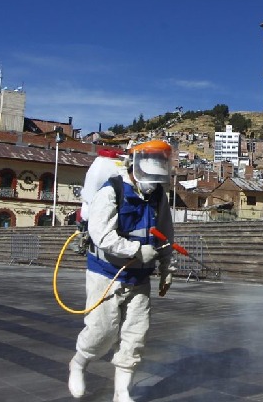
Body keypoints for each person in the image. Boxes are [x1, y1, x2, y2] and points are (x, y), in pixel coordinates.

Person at [68, 139, 176, 402]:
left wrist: (166, 265)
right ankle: (79, 362)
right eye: (149, 178)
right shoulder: (111, 191)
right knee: (101, 332)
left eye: (157, 179)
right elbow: (102, 235)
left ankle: (122, 392)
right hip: (106, 272)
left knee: (135, 335)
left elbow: (165, 233)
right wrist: (136, 250)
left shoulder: (158, 196)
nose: (152, 184)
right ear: (134, 168)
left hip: (140, 277)